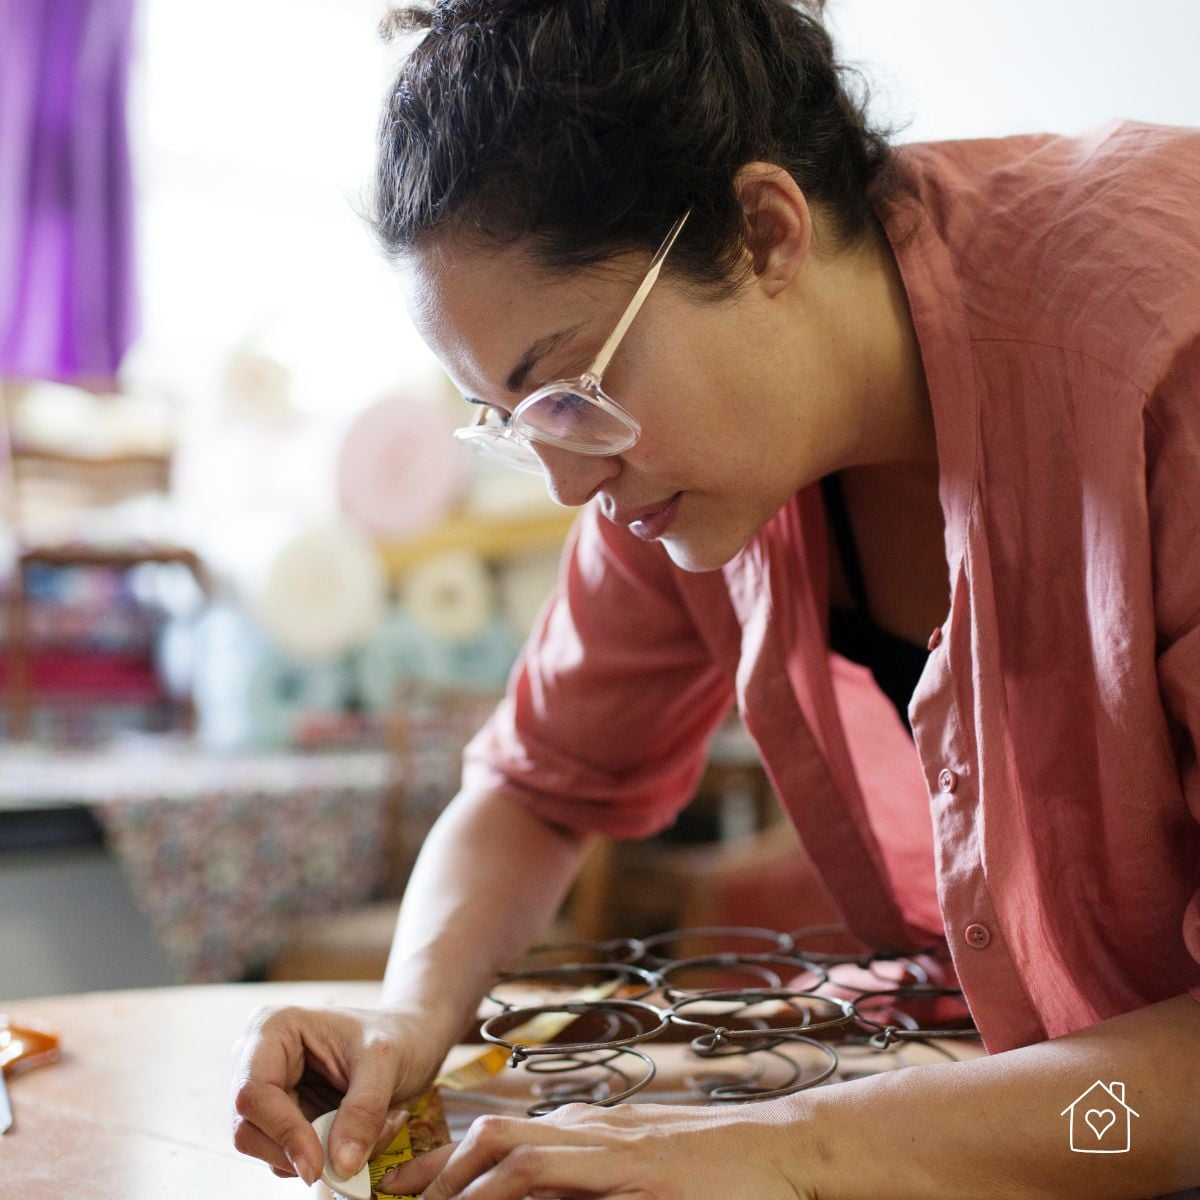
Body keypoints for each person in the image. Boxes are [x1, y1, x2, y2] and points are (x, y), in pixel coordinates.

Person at [231, 1, 1200, 1196]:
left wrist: (793, 1154)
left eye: (569, 390)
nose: (569, 481)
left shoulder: (1168, 353)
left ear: (763, 230)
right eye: (511, 421)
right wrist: (405, 1020)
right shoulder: (687, 456)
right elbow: (534, 790)